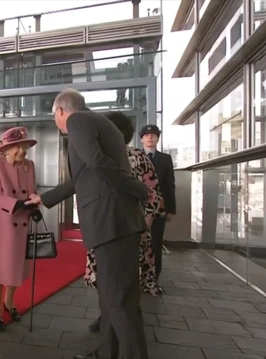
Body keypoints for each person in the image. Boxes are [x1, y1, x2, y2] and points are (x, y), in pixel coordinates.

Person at [27, 89, 153, 359]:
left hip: (111, 221)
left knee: (119, 301)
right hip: (115, 221)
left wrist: (138, 189)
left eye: (53, 116)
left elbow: (97, 163)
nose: (56, 121)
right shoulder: (95, 123)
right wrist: (44, 198)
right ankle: (107, 352)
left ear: (61, 110)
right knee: (113, 298)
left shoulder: (78, 121)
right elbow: (82, 176)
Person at [85, 112, 164, 333]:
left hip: (113, 227)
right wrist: (145, 224)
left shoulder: (112, 158)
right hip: (132, 226)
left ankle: (115, 324)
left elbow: (151, 194)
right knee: (126, 280)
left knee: (112, 278)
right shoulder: (139, 157)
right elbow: (154, 194)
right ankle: (110, 320)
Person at [0, 126, 39, 332]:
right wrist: (18, 204)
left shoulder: (29, 165)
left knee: (16, 263)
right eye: (17, 148)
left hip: (22, 220)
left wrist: (33, 205)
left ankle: (10, 301)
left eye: (24, 147)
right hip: (1, 220)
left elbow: (33, 189)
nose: (21, 152)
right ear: (6, 149)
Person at [139, 124, 176, 282]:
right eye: (147, 135)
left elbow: (169, 185)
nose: (150, 137)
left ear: (157, 138)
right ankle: (137, 277)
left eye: (154, 135)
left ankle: (153, 279)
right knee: (137, 243)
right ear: (141, 139)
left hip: (159, 209)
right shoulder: (135, 157)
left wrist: (171, 209)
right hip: (138, 208)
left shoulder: (165, 159)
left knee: (155, 243)